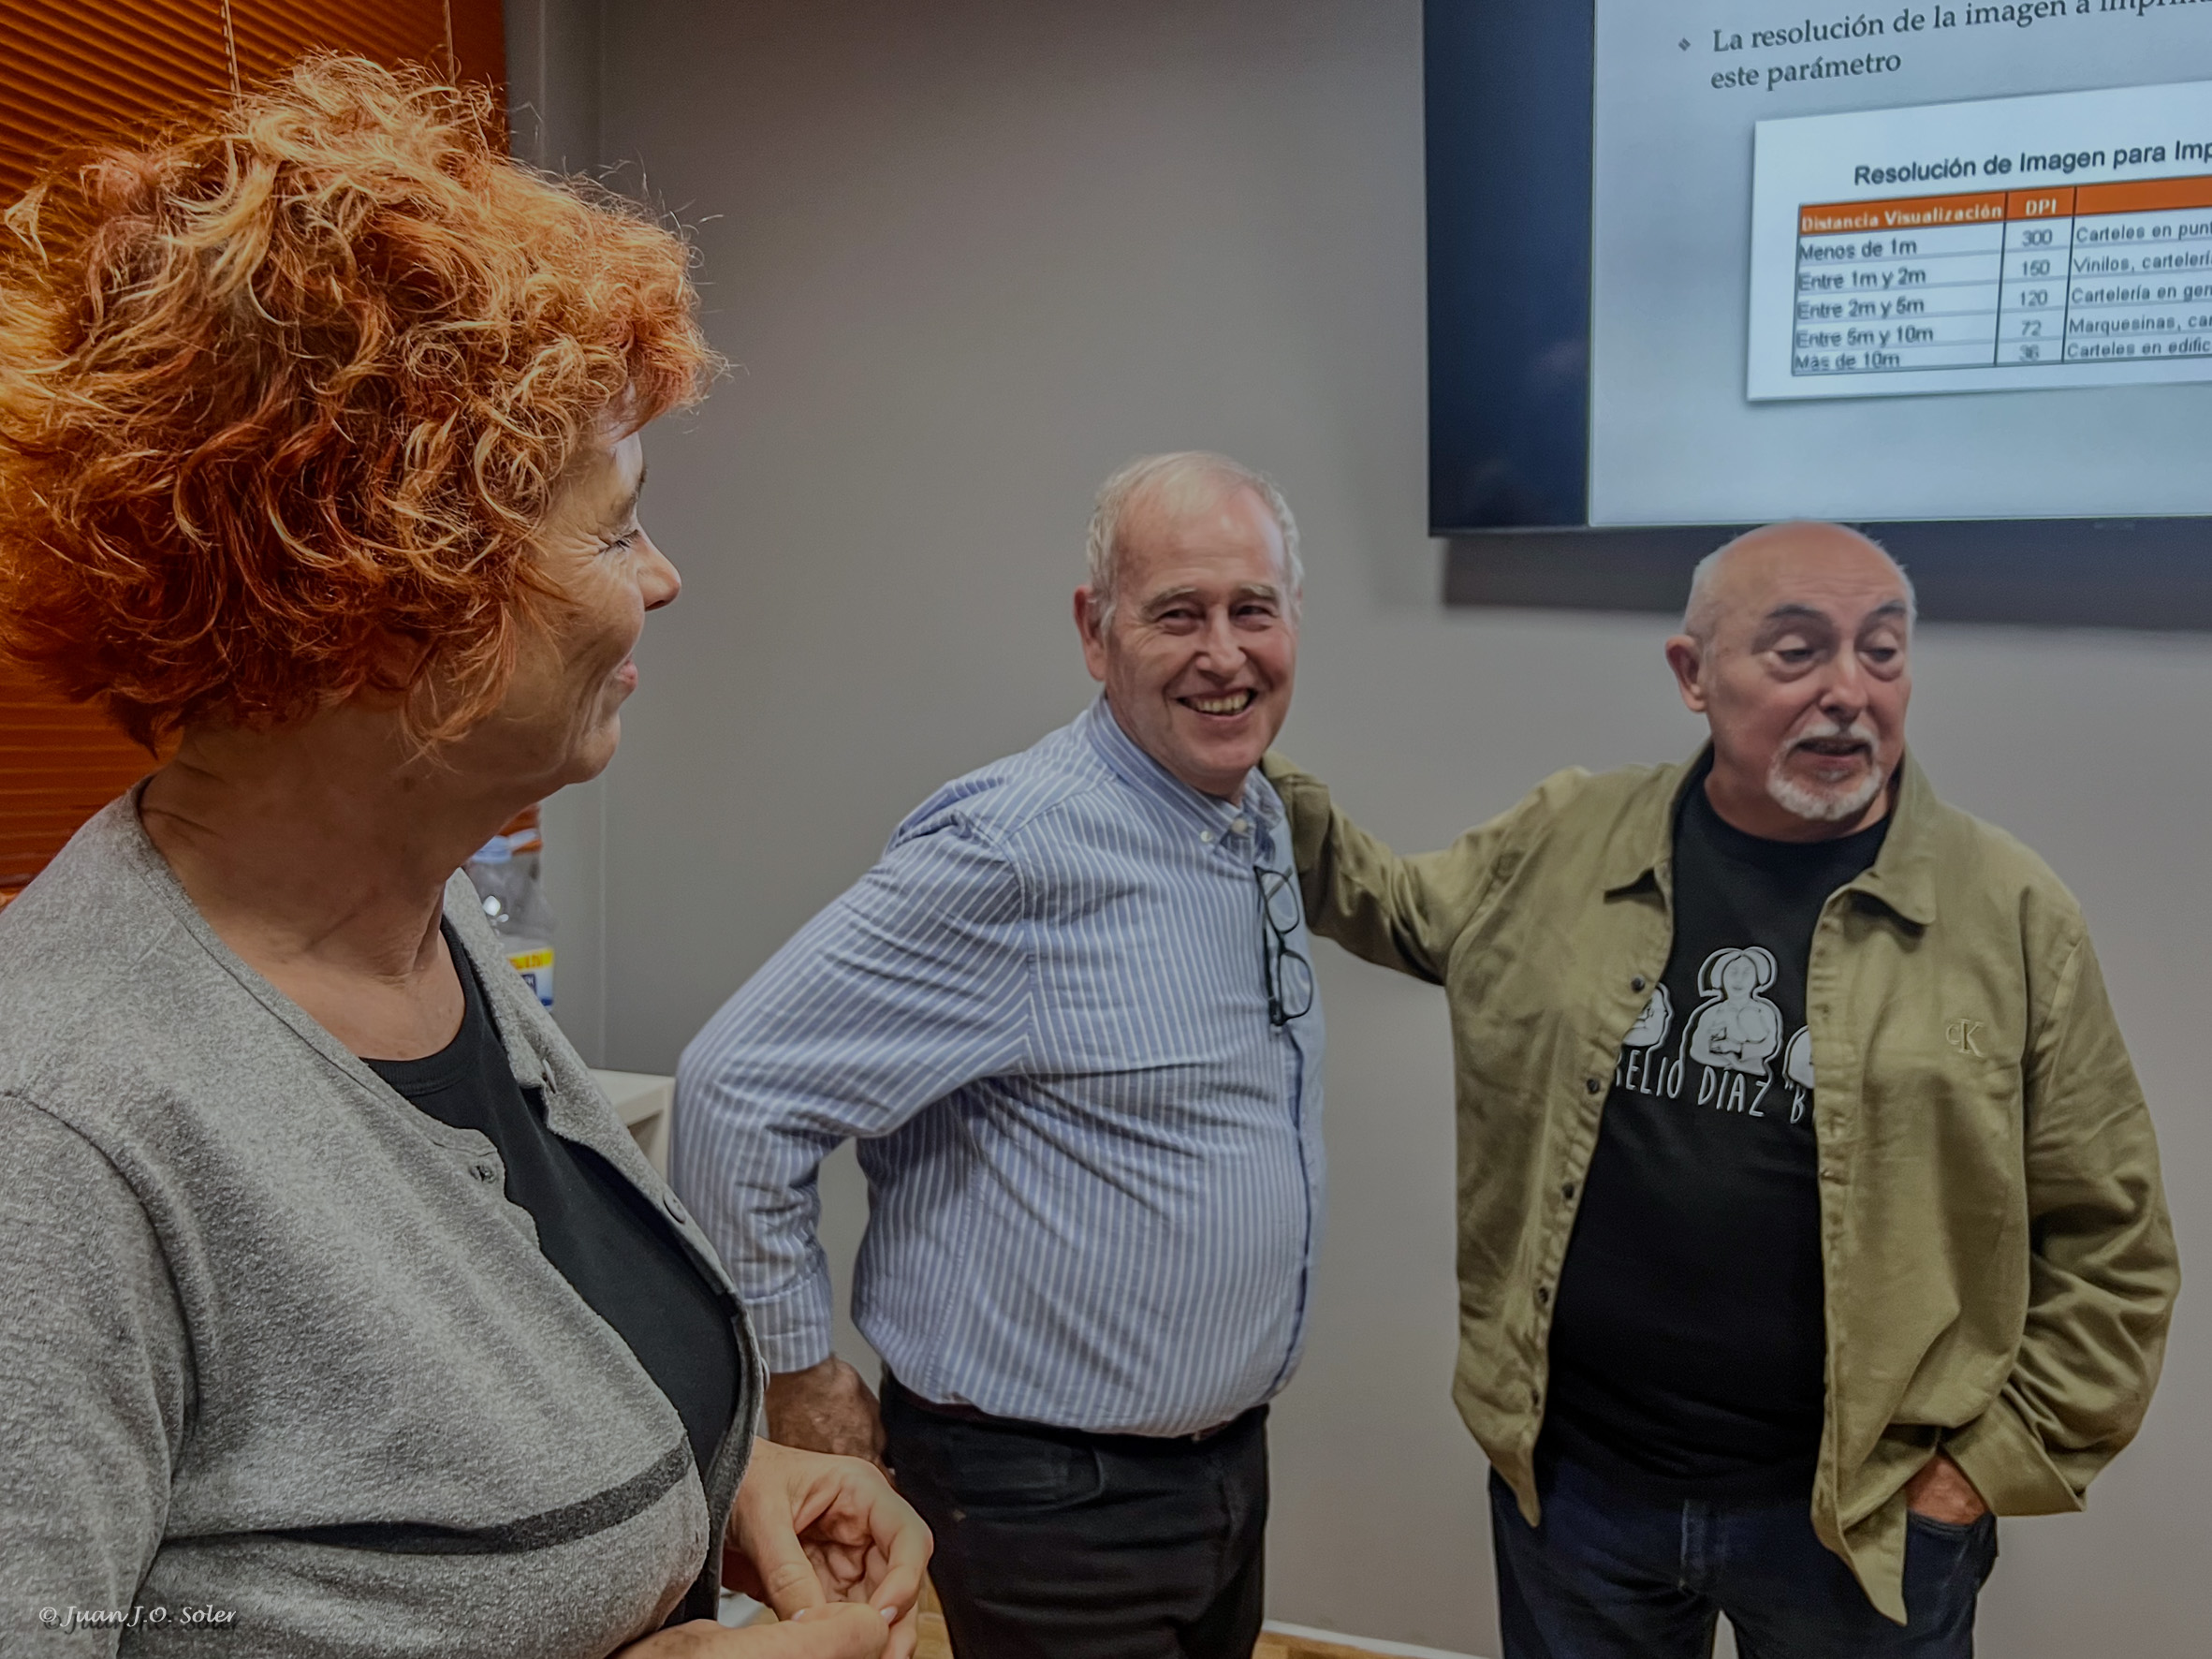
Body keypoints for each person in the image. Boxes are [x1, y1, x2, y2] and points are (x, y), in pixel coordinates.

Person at [0, 59, 927, 1659]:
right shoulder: (59, 1134)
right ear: (383, 587)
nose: (660, 579)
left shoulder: (415, 930)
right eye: (613, 523)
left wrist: (719, 1475)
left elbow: (453, 1448)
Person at [1265, 522, 2177, 1657]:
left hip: (1855, 1525)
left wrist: (1976, 1474)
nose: (1847, 690)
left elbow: (2113, 1240)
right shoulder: (1566, 834)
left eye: (1881, 651)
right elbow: (1391, 904)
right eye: (1796, 650)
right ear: (1691, 673)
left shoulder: (2010, 911)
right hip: (1578, 1494)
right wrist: (1231, 744)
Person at [675, 452, 1325, 1659]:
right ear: (1094, 630)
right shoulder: (1014, 849)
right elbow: (735, 1089)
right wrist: (795, 1374)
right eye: (1176, 613)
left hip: (1219, 1469)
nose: (1223, 653)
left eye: (1254, 609)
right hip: (1054, 1500)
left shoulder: (1245, 810)